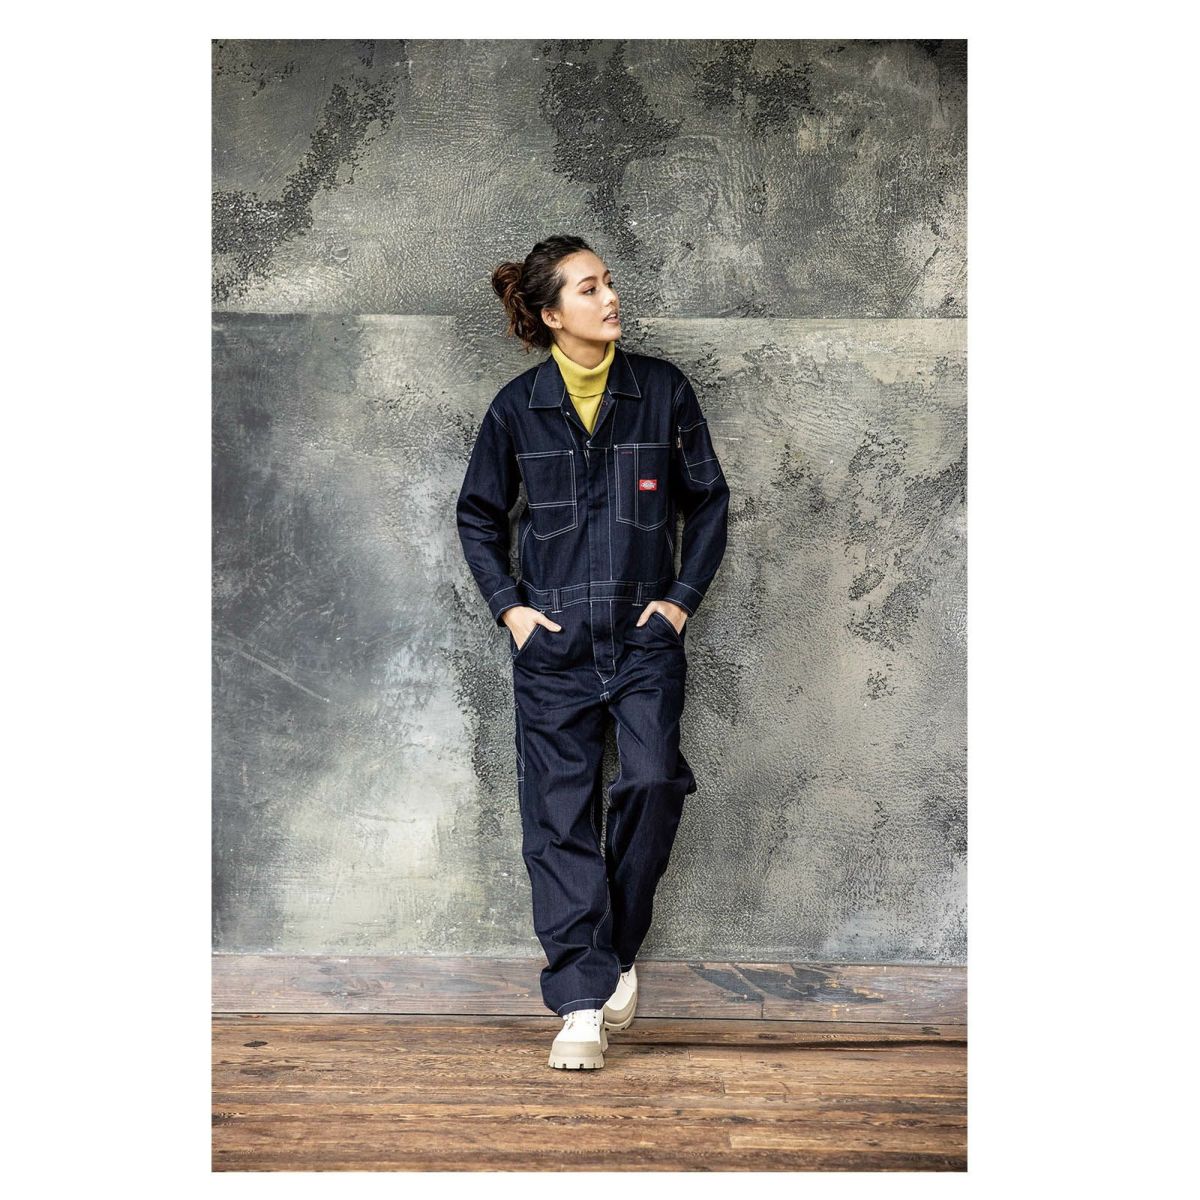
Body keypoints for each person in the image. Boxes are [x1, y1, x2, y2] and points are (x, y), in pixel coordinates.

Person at [455, 234, 730, 1069]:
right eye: (587, 288)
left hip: (643, 640)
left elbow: (709, 500)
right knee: (559, 818)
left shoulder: (661, 392)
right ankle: (580, 1002)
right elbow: (478, 515)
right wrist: (511, 611)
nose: (610, 298)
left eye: (608, 283)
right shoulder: (517, 408)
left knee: (652, 781)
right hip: (556, 644)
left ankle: (611, 952)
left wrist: (679, 602)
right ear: (550, 315)